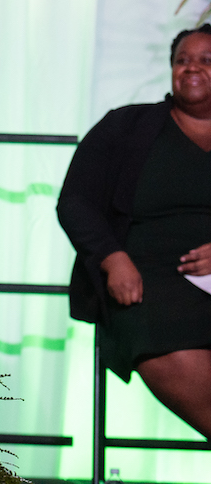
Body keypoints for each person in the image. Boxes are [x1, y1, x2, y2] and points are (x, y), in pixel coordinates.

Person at [59, 24, 211, 433]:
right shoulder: (127, 127)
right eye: (182, 60)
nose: (192, 67)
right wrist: (112, 259)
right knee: (161, 327)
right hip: (149, 284)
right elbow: (75, 201)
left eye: (206, 60)